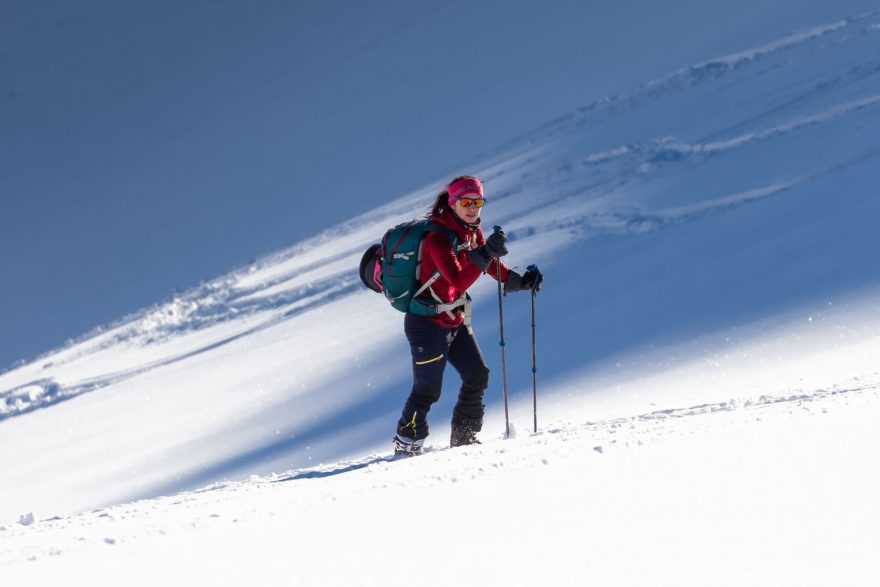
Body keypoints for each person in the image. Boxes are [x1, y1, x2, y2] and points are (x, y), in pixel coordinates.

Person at [393, 175, 543, 456]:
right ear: (453, 203)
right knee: (428, 390)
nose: (473, 207)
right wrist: (485, 252)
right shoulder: (437, 237)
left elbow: (487, 264)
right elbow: (457, 280)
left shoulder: (471, 231)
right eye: (466, 201)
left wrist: (519, 281)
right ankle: (407, 442)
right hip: (425, 323)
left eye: (478, 201)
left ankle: (464, 441)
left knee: (477, 375)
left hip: (452, 318)